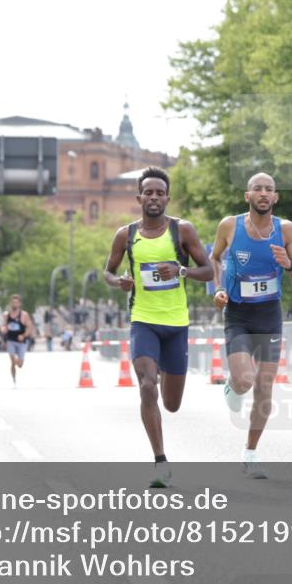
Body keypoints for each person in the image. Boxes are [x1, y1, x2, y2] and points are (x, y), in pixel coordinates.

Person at [103, 167, 213, 488]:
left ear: (167, 198)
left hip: (176, 324)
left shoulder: (183, 231)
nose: (153, 198)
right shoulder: (126, 235)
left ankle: (165, 370)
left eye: (159, 193)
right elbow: (108, 271)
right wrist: (120, 281)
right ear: (139, 198)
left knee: (172, 404)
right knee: (147, 385)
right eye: (148, 193)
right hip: (143, 321)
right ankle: (160, 462)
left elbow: (207, 270)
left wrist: (181, 271)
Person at [210, 172, 292, 478]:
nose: (264, 193)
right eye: (258, 189)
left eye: (269, 189)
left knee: (265, 385)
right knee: (245, 380)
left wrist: (288, 265)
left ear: (276, 198)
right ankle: (233, 384)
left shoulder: (287, 230)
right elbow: (214, 259)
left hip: (269, 314)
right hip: (238, 312)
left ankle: (250, 452)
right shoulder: (230, 225)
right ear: (247, 196)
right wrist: (217, 289)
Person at [0, 294, 33, 387]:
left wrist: (23, 335)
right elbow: (3, 325)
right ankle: (14, 380)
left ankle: (17, 363)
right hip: (10, 340)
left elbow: (29, 328)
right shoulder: (6, 315)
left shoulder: (24, 315)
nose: (14, 304)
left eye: (16, 303)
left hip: (21, 342)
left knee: (20, 364)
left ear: (19, 304)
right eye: (13, 302)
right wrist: (3, 329)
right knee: (12, 360)